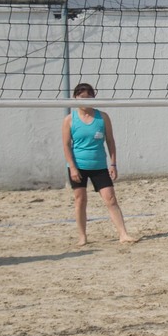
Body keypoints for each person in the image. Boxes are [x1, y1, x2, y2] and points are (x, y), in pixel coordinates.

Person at [61, 82, 137, 246]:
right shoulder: (69, 119)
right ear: (75, 98)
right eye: (82, 97)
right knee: (80, 199)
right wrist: (72, 167)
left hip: (99, 165)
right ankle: (82, 237)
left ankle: (123, 234)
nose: (85, 100)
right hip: (78, 166)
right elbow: (66, 145)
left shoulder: (102, 117)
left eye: (89, 97)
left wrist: (113, 164)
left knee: (110, 198)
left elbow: (110, 141)